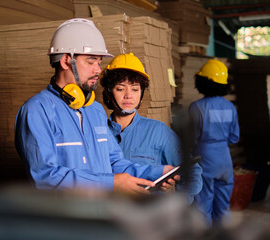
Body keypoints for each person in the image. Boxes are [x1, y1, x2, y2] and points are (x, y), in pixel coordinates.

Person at [14, 18, 178, 196]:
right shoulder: (37, 111)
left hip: (102, 215)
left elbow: (114, 162)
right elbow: (45, 178)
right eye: (91, 62)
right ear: (66, 61)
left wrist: (158, 173)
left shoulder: (95, 110)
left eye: (99, 62)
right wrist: (111, 184)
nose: (98, 70)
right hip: (66, 220)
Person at [100, 53, 202, 203]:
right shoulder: (97, 131)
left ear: (141, 93)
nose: (129, 96)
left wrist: (179, 205)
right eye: (120, 89)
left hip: (146, 218)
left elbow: (192, 171)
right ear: (108, 93)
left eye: (135, 89)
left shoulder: (158, 132)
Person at [188, 59, 240, 225]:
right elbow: (234, 137)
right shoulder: (230, 107)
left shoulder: (197, 107)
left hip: (205, 159)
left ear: (203, 81)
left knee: (203, 207)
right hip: (225, 161)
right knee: (223, 208)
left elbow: (191, 138)